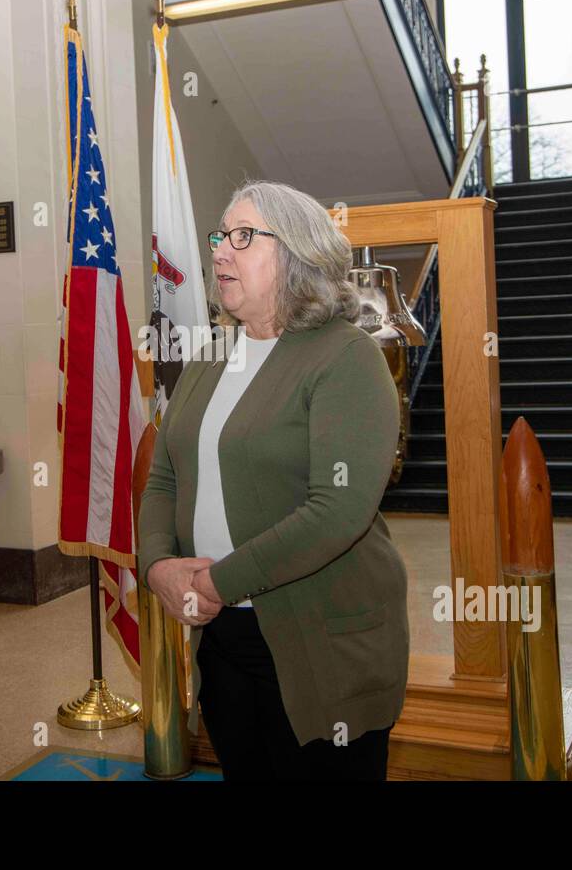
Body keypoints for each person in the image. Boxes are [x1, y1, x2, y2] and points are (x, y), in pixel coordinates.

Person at [138, 180, 409, 781]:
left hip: (320, 639)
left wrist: (215, 581)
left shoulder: (346, 357)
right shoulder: (211, 357)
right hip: (224, 638)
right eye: (219, 236)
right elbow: (163, 476)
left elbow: (337, 510)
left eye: (243, 237)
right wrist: (157, 565)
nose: (220, 252)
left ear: (297, 253)